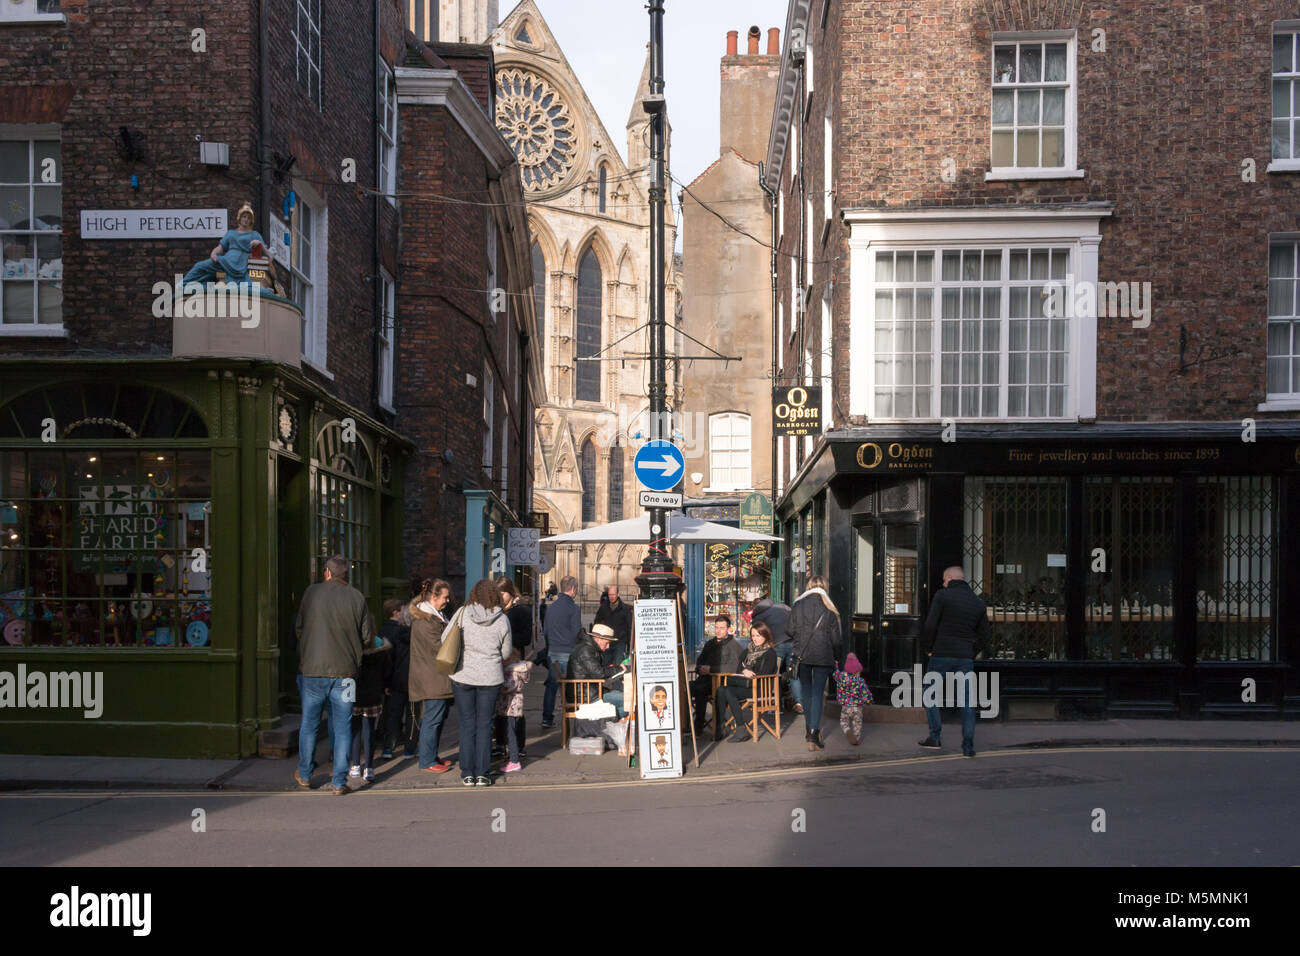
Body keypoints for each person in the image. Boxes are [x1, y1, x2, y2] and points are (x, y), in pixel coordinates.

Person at [294, 555, 374, 795]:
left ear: (327, 573)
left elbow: (298, 628)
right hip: (346, 673)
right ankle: (339, 782)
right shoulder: (357, 597)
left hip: (313, 672)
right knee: (343, 727)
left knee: (309, 724)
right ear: (345, 575)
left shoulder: (311, 593)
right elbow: (367, 637)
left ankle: (305, 774)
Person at [918, 566, 990, 757]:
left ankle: (935, 737)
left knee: (929, 695)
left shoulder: (943, 595)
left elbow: (930, 625)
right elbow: (984, 636)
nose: (943, 583)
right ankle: (968, 746)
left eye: (943, 580)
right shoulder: (978, 603)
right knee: (967, 702)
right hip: (964, 658)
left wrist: (928, 648)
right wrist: (970, 653)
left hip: (941, 654)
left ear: (949, 578)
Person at [450, 578, 513, 787]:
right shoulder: (502, 619)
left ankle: (467, 773)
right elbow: (506, 652)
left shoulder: (462, 613)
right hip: (489, 677)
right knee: (485, 724)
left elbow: (444, 640)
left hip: (463, 675)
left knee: (468, 723)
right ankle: (483, 774)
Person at [786, 575, 842, 752]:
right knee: (818, 694)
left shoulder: (797, 605)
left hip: (801, 655)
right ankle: (813, 732)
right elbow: (836, 640)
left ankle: (808, 731)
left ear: (808, 586)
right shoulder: (829, 608)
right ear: (825, 587)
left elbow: (789, 631)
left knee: (807, 692)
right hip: (823, 656)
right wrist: (837, 657)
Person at [408, 579, 455, 773]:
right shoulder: (426, 621)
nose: (447, 601)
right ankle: (427, 760)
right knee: (432, 719)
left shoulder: (434, 616)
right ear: (433, 597)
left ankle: (433, 756)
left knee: (437, 718)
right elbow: (440, 648)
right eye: (444, 597)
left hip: (436, 676)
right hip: (432, 678)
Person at [714, 621, 778, 742]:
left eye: (758, 635)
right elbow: (739, 667)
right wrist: (744, 671)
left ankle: (741, 728)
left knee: (728, 691)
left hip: (760, 689)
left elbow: (766, 674)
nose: (755, 639)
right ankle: (721, 726)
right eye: (753, 635)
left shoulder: (770, 653)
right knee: (721, 689)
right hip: (745, 686)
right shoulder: (748, 650)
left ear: (766, 636)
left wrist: (750, 674)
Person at [495, 578, 533, 762]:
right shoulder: (498, 610)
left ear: (510, 592)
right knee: (499, 705)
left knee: (515, 706)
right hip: (499, 663)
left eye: (502, 593)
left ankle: (520, 744)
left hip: (515, 663)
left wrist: (505, 637)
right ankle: (500, 743)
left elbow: (526, 638)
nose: (500, 596)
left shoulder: (521, 611)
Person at [349, 624, 393, 783]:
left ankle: (355, 765)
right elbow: (387, 670)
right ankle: (368, 768)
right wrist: (385, 686)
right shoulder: (380, 644)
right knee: (369, 731)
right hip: (373, 692)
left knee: (354, 730)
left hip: (353, 691)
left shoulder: (350, 643)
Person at [183, 202, 265, 287]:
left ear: (251, 221)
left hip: (242, 263)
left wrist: (259, 244)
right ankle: (184, 285)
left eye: (249, 218)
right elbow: (220, 248)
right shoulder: (230, 233)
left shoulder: (254, 234)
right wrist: (213, 254)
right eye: (244, 217)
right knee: (199, 266)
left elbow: (266, 253)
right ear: (239, 218)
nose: (246, 219)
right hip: (225, 261)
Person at [690, 614, 745, 732]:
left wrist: (711, 669)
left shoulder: (733, 645)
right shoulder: (710, 643)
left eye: (722, 628)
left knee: (701, 690)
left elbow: (734, 667)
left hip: (722, 682)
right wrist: (700, 668)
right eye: (716, 627)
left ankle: (699, 725)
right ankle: (684, 724)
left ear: (728, 629)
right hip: (704, 679)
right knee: (683, 688)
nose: (718, 631)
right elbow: (700, 660)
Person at [540, 575, 581, 729]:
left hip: (553, 652)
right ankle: (571, 717)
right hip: (568, 652)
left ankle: (547, 718)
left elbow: (546, 631)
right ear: (573, 589)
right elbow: (576, 632)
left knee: (551, 686)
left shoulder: (551, 608)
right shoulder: (574, 608)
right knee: (570, 687)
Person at [379, 597, 415, 759]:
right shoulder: (415, 635)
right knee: (412, 715)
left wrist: (386, 682)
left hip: (396, 680)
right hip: (414, 679)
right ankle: (409, 749)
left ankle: (388, 748)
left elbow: (389, 661)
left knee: (393, 714)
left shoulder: (392, 634)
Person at [566, 623, 628, 717]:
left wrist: (612, 669)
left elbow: (595, 670)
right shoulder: (586, 650)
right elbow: (599, 673)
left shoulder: (588, 648)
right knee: (628, 700)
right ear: (599, 639)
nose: (608, 647)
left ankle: (608, 721)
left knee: (624, 698)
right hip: (586, 696)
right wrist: (618, 669)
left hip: (589, 691)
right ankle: (606, 723)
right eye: (607, 643)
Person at [752, 595, 798, 712]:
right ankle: (799, 703)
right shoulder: (782, 607)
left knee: (773, 675)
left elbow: (756, 635)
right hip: (793, 642)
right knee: (794, 674)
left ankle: (775, 706)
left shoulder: (759, 616)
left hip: (777, 645)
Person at [496, 650, 531, 773]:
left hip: (510, 707)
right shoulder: (517, 671)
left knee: (510, 734)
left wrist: (498, 686)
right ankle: (512, 757)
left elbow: (508, 687)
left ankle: (514, 761)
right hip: (512, 706)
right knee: (511, 732)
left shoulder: (512, 672)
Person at [834, 652, 872, 746]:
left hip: (846, 706)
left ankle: (847, 731)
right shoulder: (860, 681)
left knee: (843, 722)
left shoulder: (841, 677)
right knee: (857, 724)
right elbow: (866, 693)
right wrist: (868, 700)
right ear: (856, 672)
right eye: (859, 672)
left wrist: (836, 663)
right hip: (857, 707)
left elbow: (835, 673)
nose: (859, 674)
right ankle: (856, 739)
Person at [593, 584, 633, 666]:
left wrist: (629, 646)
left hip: (620, 643)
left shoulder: (625, 609)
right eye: (609, 595)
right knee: (605, 665)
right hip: (606, 643)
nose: (611, 597)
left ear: (618, 594)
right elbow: (597, 623)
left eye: (613, 594)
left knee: (618, 666)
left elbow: (630, 628)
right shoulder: (603, 608)